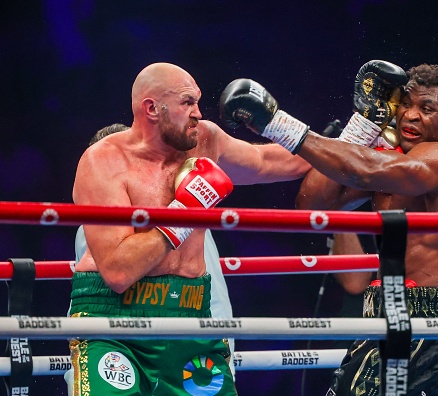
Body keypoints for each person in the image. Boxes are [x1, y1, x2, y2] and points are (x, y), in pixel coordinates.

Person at [219, 61, 438, 395]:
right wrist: (362, 124)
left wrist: (275, 123)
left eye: (427, 109)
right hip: (380, 317)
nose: (411, 116)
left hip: (422, 325)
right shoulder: (395, 163)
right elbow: (312, 207)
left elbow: (366, 169)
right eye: (406, 104)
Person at [70, 63, 311, 395]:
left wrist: (358, 137)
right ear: (152, 108)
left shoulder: (205, 141)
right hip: (115, 323)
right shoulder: (103, 162)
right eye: (187, 103)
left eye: (197, 101)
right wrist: (186, 212)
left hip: (190, 313)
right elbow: (118, 271)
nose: (198, 112)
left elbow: (272, 162)